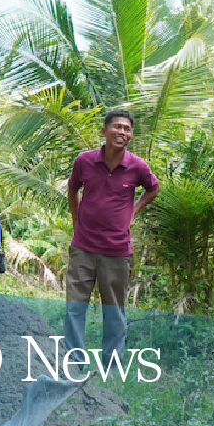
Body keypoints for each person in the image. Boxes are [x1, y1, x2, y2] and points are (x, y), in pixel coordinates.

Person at [64, 109, 159, 363]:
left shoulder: (137, 166)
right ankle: (75, 361)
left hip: (117, 250)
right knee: (75, 307)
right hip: (83, 247)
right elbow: (73, 188)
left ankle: (112, 364)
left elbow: (153, 187)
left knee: (114, 311)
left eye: (127, 129)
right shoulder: (84, 161)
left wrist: (134, 209)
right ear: (104, 131)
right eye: (117, 127)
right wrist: (76, 219)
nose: (122, 132)